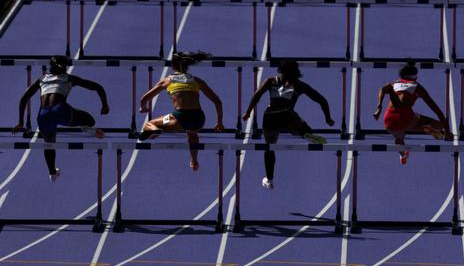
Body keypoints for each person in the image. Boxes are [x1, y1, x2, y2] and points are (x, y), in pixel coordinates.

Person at [13, 56, 109, 181]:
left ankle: (52, 173)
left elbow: (24, 98)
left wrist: (20, 122)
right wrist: (105, 105)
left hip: (42, 116)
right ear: (64, 68)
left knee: (49, 144)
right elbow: (98, 87)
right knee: (89, 120)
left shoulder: (41, 79)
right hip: (60, 110)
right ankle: (87, 129)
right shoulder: (69, 78)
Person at [242, 60, 334, 189]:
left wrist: (248, 112)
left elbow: (257, 95)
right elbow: (321, 100)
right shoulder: (299, 85)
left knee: (270, 147)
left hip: (269, 116)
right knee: (299, 126)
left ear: (280, 70)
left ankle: (269, 179)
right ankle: (305, 133)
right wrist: (328, 118)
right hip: (286, 115)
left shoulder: (271, 81)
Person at [138, 51, 224, 171]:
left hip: (180, 118)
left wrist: (143, 107)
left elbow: (144, 98)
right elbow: (217, 101)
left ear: (173, 66)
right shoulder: (196, 80)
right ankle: (194, 160)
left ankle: (155, 129)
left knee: (149, 124)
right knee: (192, 133)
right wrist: (219, 122)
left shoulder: (168, 80)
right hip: (199, 119)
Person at [373, 61, 451, 165]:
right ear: (415, 78)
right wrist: (447, 131)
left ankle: (403, 155)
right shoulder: (417, 87)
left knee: (399, 137)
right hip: (405, 118)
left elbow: (382, 89)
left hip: (389, 120)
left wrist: (379, 107)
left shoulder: (395, 83)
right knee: (437, 124)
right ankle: (424, 128)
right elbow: (437, 110)